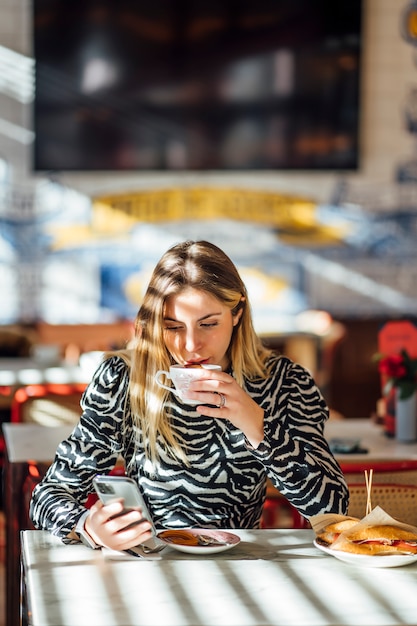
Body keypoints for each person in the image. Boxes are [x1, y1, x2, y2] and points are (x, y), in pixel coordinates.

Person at [30, 240, 348, 551]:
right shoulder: (124, 379)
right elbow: (49, 494)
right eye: (173, 327)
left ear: (237, 313)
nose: (191, 345)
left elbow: (332, 507)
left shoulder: (284, 382)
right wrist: (88, 525)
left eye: (208, 324)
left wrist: (256, 424)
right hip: (148, 563)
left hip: (241, 565)